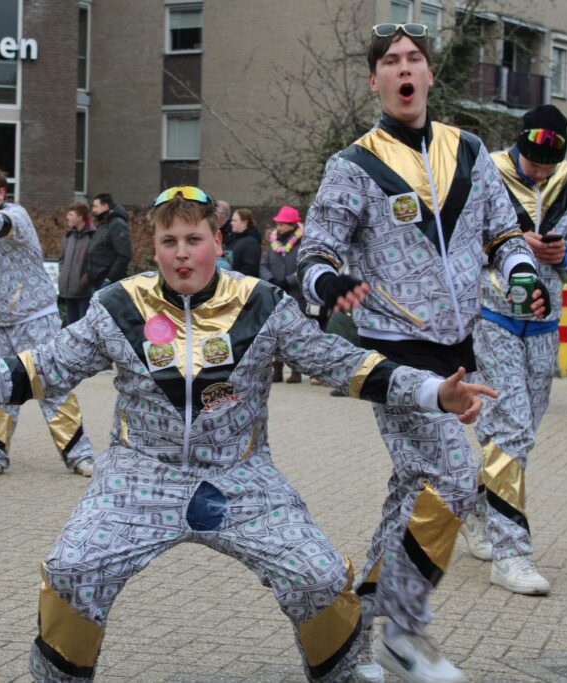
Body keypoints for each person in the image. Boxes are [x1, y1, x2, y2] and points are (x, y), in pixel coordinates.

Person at [0, 185, 497, 683]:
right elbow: (43, 367)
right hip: (138, 477)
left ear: (216, 242)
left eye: (194, 239)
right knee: (71, 571)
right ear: (153, 247)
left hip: (242, 476)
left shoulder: (264, 304)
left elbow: (344, 364)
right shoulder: (118, 306)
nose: (181, 254)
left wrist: (433, 392)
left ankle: (344, 670)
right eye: (168, 241)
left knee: (318, 578)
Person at [296, 23, 546, 683]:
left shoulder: (469, 151)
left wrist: (521, 274)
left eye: (414, 59)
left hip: (461, 349)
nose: (404, 69)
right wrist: (328, 282)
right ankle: (403, 635)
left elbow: (503, 234)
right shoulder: (353, 165)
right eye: (391, 61)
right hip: (395, 353)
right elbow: (315, 249)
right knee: (455, 479)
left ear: (430, 74)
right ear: (375, 80)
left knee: (412, 492)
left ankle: (352, 632)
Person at [460, 105, 567, 596]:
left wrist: (564, 253)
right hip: (491, 312)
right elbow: (460, 240)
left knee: (522, 433)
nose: (540, 173)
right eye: (534, 163)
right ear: (519, 147)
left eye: (548, 166)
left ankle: (474, 506)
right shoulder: (486, 171)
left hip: (544, 320)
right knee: (510, 427)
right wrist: (511, 247)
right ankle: (511, 553)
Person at [0, 164, 97, 478]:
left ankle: (79, 455)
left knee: (53, 385)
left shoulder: (16, 216)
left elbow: (4, 224)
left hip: (33, 320)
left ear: (2, 192)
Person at [262, 205, 308, 384]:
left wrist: (288, 281)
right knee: (275, 332)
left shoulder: (303, 243)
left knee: (294, 333)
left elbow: (304, 266)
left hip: (295, 294)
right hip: (275, 294)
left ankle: (296, 371)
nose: (279, 227)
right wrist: (270, 279)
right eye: (278, 223)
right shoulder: (274, 243)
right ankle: (277, 369)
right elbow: (263, 264)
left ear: (292, 225)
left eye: (282, 224)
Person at [58, 201, 95, 324]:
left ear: (80, 218)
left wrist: (85, 279)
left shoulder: (92, 237)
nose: (67, 217)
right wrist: (62, 274)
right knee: (71, 326)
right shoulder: (68, 236)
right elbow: (62, 259)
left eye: (71, 215)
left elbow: (94, 262)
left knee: (84, 326)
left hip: (84, 292)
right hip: (69, 291)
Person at [86, 193, 132, 290]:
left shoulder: (117, 224)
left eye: (95, 206)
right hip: (97, 281)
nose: (93, 210)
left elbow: (125, 254)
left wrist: (109, 278)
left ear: (105, 206)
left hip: (106, 283)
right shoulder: (104, 224)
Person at [227, 207, 262, 277]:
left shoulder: (251, 242)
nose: (231, 223)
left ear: (245, 222)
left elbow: (250, 269)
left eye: (235, 221)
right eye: (232, 220)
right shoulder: (234, 238)